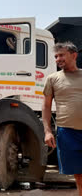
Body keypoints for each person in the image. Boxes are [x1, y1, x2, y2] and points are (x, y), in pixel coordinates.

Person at [42, 42, 82, 196]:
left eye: (61, 55)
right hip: (67, 133)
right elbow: (46, 106)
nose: (58, 59)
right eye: (56, 56)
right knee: (78, 173)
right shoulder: (52, 79)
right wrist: (47, 131)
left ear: (74, 55)